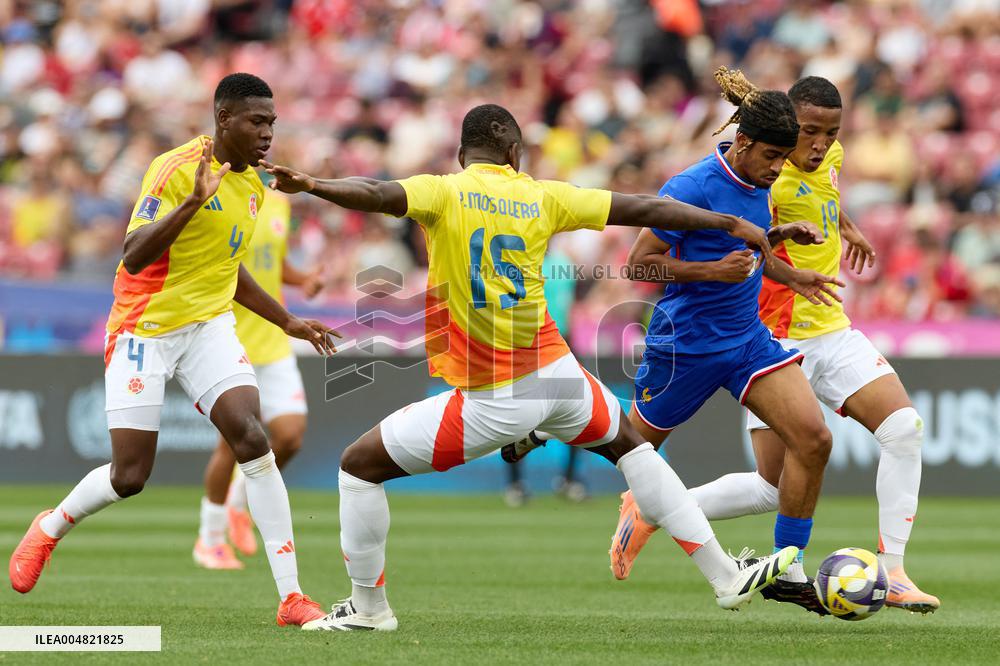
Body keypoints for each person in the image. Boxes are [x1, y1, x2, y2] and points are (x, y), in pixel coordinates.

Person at [261, 103, 799, 631]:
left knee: (358, 467)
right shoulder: (544, 196)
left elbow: (376, 193)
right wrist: (730, 222)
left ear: (462, 155)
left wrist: (314, 185)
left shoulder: (442, 191)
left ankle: (368, 610)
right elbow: (646, 208)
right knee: (633, 450)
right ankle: (724, 575)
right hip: (561, 377)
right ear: (515, 153)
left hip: (497, 394)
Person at [8, 73, 337, 628]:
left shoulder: (255, 185)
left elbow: (227, 267)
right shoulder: (176, 169)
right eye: (257, 121)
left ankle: (292, 597)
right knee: (130, 475)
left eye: (272, 123)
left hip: (208, 327)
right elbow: (134, 254)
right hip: (145, 328)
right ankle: (50, 527)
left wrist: (288, 321)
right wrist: (190, 205)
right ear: (224, 119)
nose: (267, 133)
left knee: (253, 439)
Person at [511, 68, 843, 592]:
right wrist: (713, 272)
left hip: (747, 340)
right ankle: (551, 425)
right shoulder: (692, 188)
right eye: (771, 157)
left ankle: (790, 565)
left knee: (814, 438)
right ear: (743, 143)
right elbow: (639, 263)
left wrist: (780, 243)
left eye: (784, 158)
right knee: (623, 443)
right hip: (686, 345)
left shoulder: (760, 179)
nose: (778, 168)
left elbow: (742, 248)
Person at [688, 76, 939, 614]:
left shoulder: (831, 157)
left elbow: (824, 189)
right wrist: (789, 272)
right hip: (776, 337)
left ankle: (894, 570)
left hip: (832, 326)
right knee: (772, 487)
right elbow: (748, 251)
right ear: (785, 130)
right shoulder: (762, 181)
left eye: (832, 133)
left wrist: (847, 226)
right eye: (810, 132)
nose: (822, 145)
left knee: (904, 429)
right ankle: (657, 504)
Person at [194, 186, 324, 569]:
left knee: (291, 435)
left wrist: (303, 281)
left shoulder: (280, 204)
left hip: (274, 341)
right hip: (232, 339)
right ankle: (209, 540)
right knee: (229, 446)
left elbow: (272, 263)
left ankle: (239, 503)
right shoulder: (222, 200)